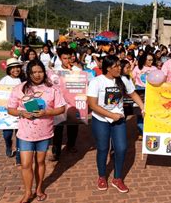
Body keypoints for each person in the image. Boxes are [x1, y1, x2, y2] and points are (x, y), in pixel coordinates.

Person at [7, 60, 66, 203]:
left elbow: (61, 108)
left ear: (44, 72)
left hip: (44, 133)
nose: (37, 75)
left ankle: (39, 189)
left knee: (40, 162)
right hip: (25, 134)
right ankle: (28, 193)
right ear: (28, 74)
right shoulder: (19, 89)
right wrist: (22, 113)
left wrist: (47, 112)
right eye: (33, 72)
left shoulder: (52, 89)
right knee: (26, 164)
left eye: (40, 71)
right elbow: (10, 109)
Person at [87, 55, 144, 193]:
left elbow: (133, 94)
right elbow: (92, 105)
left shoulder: (123, 80)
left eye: (120, 65)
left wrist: (143, 107)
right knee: (102, 148)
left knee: (122, 148)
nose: (120, 68)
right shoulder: (96, 81)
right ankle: (101, 176)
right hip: (101, 120)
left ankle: (117, 179)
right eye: (116, 66)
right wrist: (111, 115)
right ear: (107, 68)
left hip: (119, 120)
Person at [50, 48, 81, 161]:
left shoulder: (77, 69)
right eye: (64, 58)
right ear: (60, 58)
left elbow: (83, 84)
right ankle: (56, 151)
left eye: (69, 58)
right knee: (58, 127)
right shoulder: (55, 71)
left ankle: (71, 145)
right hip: (59, 103)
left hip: (73, 103)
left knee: (73, 125)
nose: (67, 60)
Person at [0, 58, 25, 165]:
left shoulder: (24, 80)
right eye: (13, 68)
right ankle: (8, 145)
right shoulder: (3, 81)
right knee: (7, 135)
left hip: (20, 112)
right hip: (7, 113)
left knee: (20, 135)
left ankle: (19, 157)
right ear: (8, 69)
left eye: (18, 67)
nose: (16, 70)